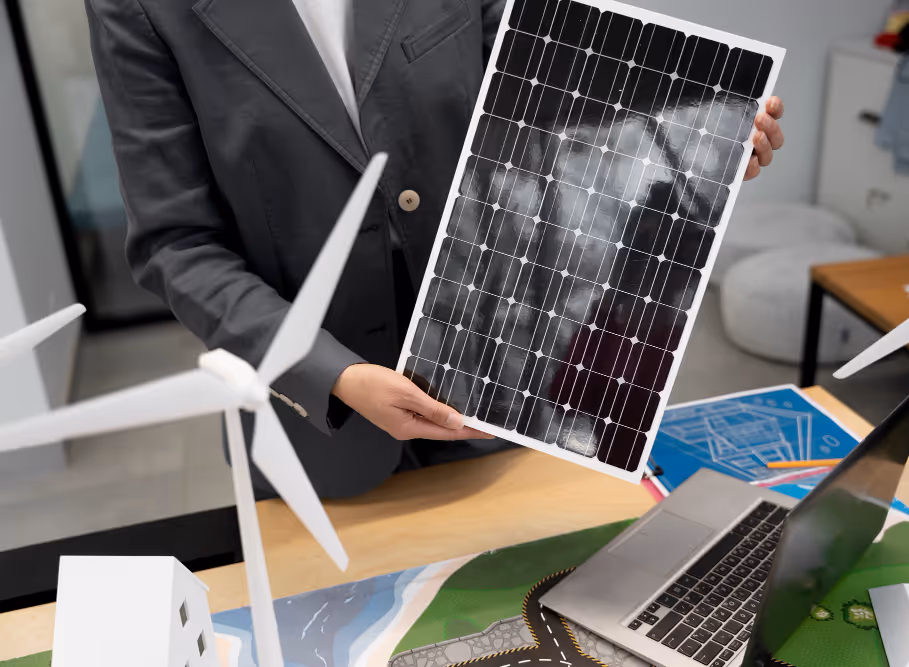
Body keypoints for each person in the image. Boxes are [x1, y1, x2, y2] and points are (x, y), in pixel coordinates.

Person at [85, 0, 786, 498]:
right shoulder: (141, 8)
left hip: (499, 380)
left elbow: (545, 103)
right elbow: (176, 244)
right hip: (319, 437)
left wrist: (707, 144)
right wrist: (332, 373)